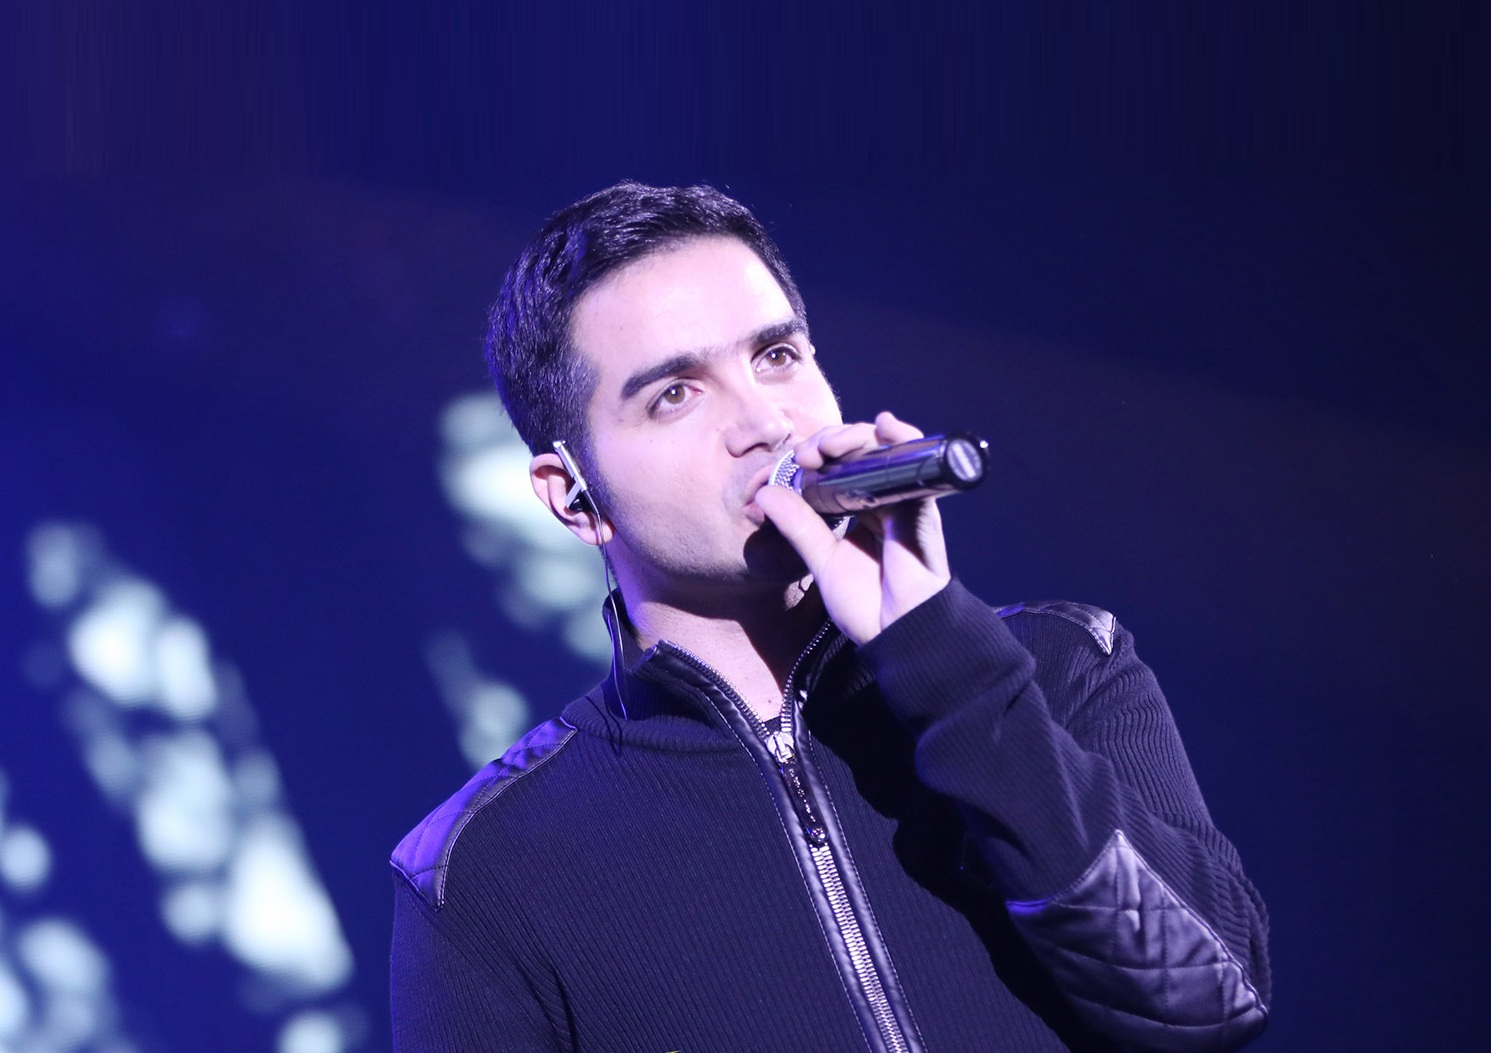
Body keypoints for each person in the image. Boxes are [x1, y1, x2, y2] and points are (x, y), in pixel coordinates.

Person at [389, 182, 1271, 1053]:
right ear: (573, 496)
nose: (763, 421)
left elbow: (1208, 1005)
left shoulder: (1060, 665)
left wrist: (947, 667)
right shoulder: (482, 868)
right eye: (675, 394)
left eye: (776, 356)